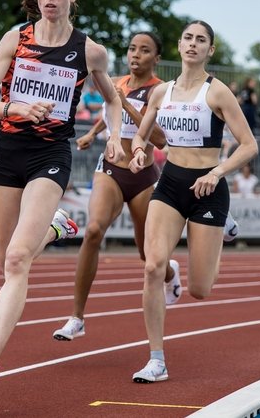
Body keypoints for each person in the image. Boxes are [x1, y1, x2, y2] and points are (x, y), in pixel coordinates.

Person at [0, 0, 124, 404]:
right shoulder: (16, 38)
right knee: (5, 258)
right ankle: (56, 227)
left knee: (16, 262)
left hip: (51, 155)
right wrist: (16, 110)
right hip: (9, 152)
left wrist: (117, 140)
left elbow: (113, 101)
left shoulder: (90, 51)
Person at [127, 20, 258, 383]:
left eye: (201, 40)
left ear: (209, 50)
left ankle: (223, 225)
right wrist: (139, 152)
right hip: (170, 185)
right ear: (179, 45)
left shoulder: (217, 93)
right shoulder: (161, 92)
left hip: (208, 190)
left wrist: (216, 173)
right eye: (188, 38)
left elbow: (249, 146)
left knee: (200, 289)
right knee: (152, 267)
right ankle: (156, 359)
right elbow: (142, 137)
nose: (193, 44)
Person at [53, 31, 172, 341]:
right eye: (132, 49)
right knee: (93, 231)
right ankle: (76, 317)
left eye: (145, 51)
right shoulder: (115, 82)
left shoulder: (161, 91)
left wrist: (127, 106)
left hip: (144, 174)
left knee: (148, 255)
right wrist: (93, 134)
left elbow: (160, 139)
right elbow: (110, 111)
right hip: (110, 167)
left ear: (155, 59)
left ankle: (170, 274)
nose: (136, 55)